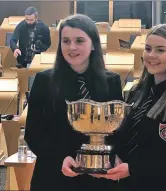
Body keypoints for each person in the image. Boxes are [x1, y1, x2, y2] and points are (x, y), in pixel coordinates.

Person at [92, 24, 166, 191]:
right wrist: (113, 156)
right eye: (148, 49)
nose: (151, 55)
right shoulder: (136, 92)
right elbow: (124, 136)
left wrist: (133, 169)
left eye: (160, 50)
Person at [24, 14, 123, 190]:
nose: (72, 47)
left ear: (93, 44)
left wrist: (114, 157)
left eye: (79, 40)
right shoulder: (43, 81)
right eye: (66, 41)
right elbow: (33, 133)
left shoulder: (112, 81)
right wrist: (59, 158)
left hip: (98, 178)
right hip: (54, 175)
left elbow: (118, 131)